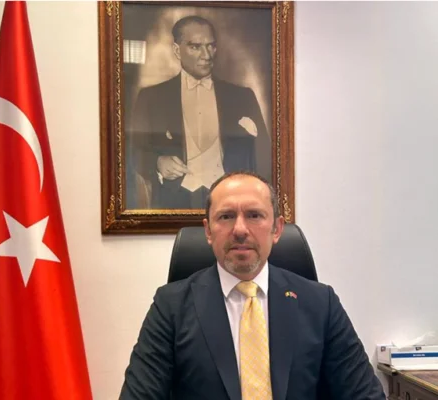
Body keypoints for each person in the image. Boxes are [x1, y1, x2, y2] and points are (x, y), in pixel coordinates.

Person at [120, 171, 386, 399]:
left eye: (254, 215)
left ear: (277, 229)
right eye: (226, 216)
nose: (240, 229)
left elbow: (365, 395)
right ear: (208, 231)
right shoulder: (170, 307)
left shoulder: (320, 304)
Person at [127, 16, 271, 209]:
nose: (207, 55)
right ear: (177, 50)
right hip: (173, 201)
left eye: (211, 46)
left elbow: (264, 153)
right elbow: (134, 152)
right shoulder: (151, 98)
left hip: (233, 200)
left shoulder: (242, 97)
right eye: (195, 47)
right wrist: (157, 162)